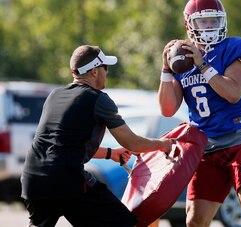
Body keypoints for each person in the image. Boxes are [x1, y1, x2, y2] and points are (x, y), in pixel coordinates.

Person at [158, 0, 241, 227]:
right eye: (203, 20)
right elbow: (167, 109)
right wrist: (167, 70)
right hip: (205, 146)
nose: (209, 25)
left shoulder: (236, 47)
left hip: (238, 138)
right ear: (190, 25)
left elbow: (234, 93)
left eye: (214, 20)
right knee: (195, 220)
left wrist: (202, 64)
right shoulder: (182, 58)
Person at [21, 44, 175, 227]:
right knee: (126, 224)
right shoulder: (98, 99)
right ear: (94, 71)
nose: (106, 73)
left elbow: (65, 146)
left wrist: (111, 153)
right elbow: (132, 142)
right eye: (105, 67)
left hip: (34, 180)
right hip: (67, 181)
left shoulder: (55, 95)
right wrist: (163, 144)